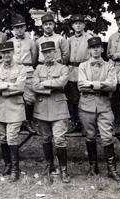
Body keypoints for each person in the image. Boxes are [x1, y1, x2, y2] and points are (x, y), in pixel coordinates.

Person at [78, 37, 120, 182]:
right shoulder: (83, 66)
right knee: (90, 136)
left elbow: (113, 85)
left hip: (104, 105)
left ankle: (111, 169)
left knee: (107, 136)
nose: (95, 49)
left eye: (98, 47)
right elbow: (81, 85)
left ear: (102, 49)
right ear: (89, 50)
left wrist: (92, 85)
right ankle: (93, 167)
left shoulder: (110, 66)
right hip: (86, 105)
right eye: (92, 47)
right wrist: (101, 85)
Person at [32, 41, 70, 183]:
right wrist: (50, 87)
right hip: (42, 108)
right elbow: (34, 86)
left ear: (55, 52)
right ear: (42, 54)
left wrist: (44, 84)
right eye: (45, 52)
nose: (48, 54)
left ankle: (64, 170)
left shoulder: (63, 68)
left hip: (59, 107)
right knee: (46, 138)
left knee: (59, 139)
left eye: (50, 51)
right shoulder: (38, 69)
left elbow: (62, 83)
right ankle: (49, 165)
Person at [0, 41, 26, 182]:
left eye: (8, 52)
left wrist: (2, 88)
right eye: (3, 53)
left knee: (12, 137)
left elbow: (20, 87)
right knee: (3, 138)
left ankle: (15, 170)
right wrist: (8, 85)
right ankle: (8, 165)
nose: (6, 55)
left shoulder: (21, 69)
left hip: (15, 108)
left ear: (13, 53)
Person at [8, 14, 37, 134]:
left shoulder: (31, 42)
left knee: (30, 99)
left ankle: (28, 121)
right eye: (16, 27)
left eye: (21, 27)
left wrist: (28, 67)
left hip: (27, 70)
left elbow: (34, 58)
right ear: (13, 29)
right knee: (14, 97)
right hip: (13, 71)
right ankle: (16, 121)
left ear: (25, 27)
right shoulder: (9, 41)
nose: (19, 30)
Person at [65, 14, 93, 133]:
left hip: (85, 70)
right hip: (72, 71)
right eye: (76, 23)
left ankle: (86, 124)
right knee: (72, 98)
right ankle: (74, 121)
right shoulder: (69, 39)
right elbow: (66, 56)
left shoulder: (89, 37)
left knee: (86, 97)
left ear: (84, 25)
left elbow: (93, 55)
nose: (78, 25)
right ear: (72, 26)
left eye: (80, 23)